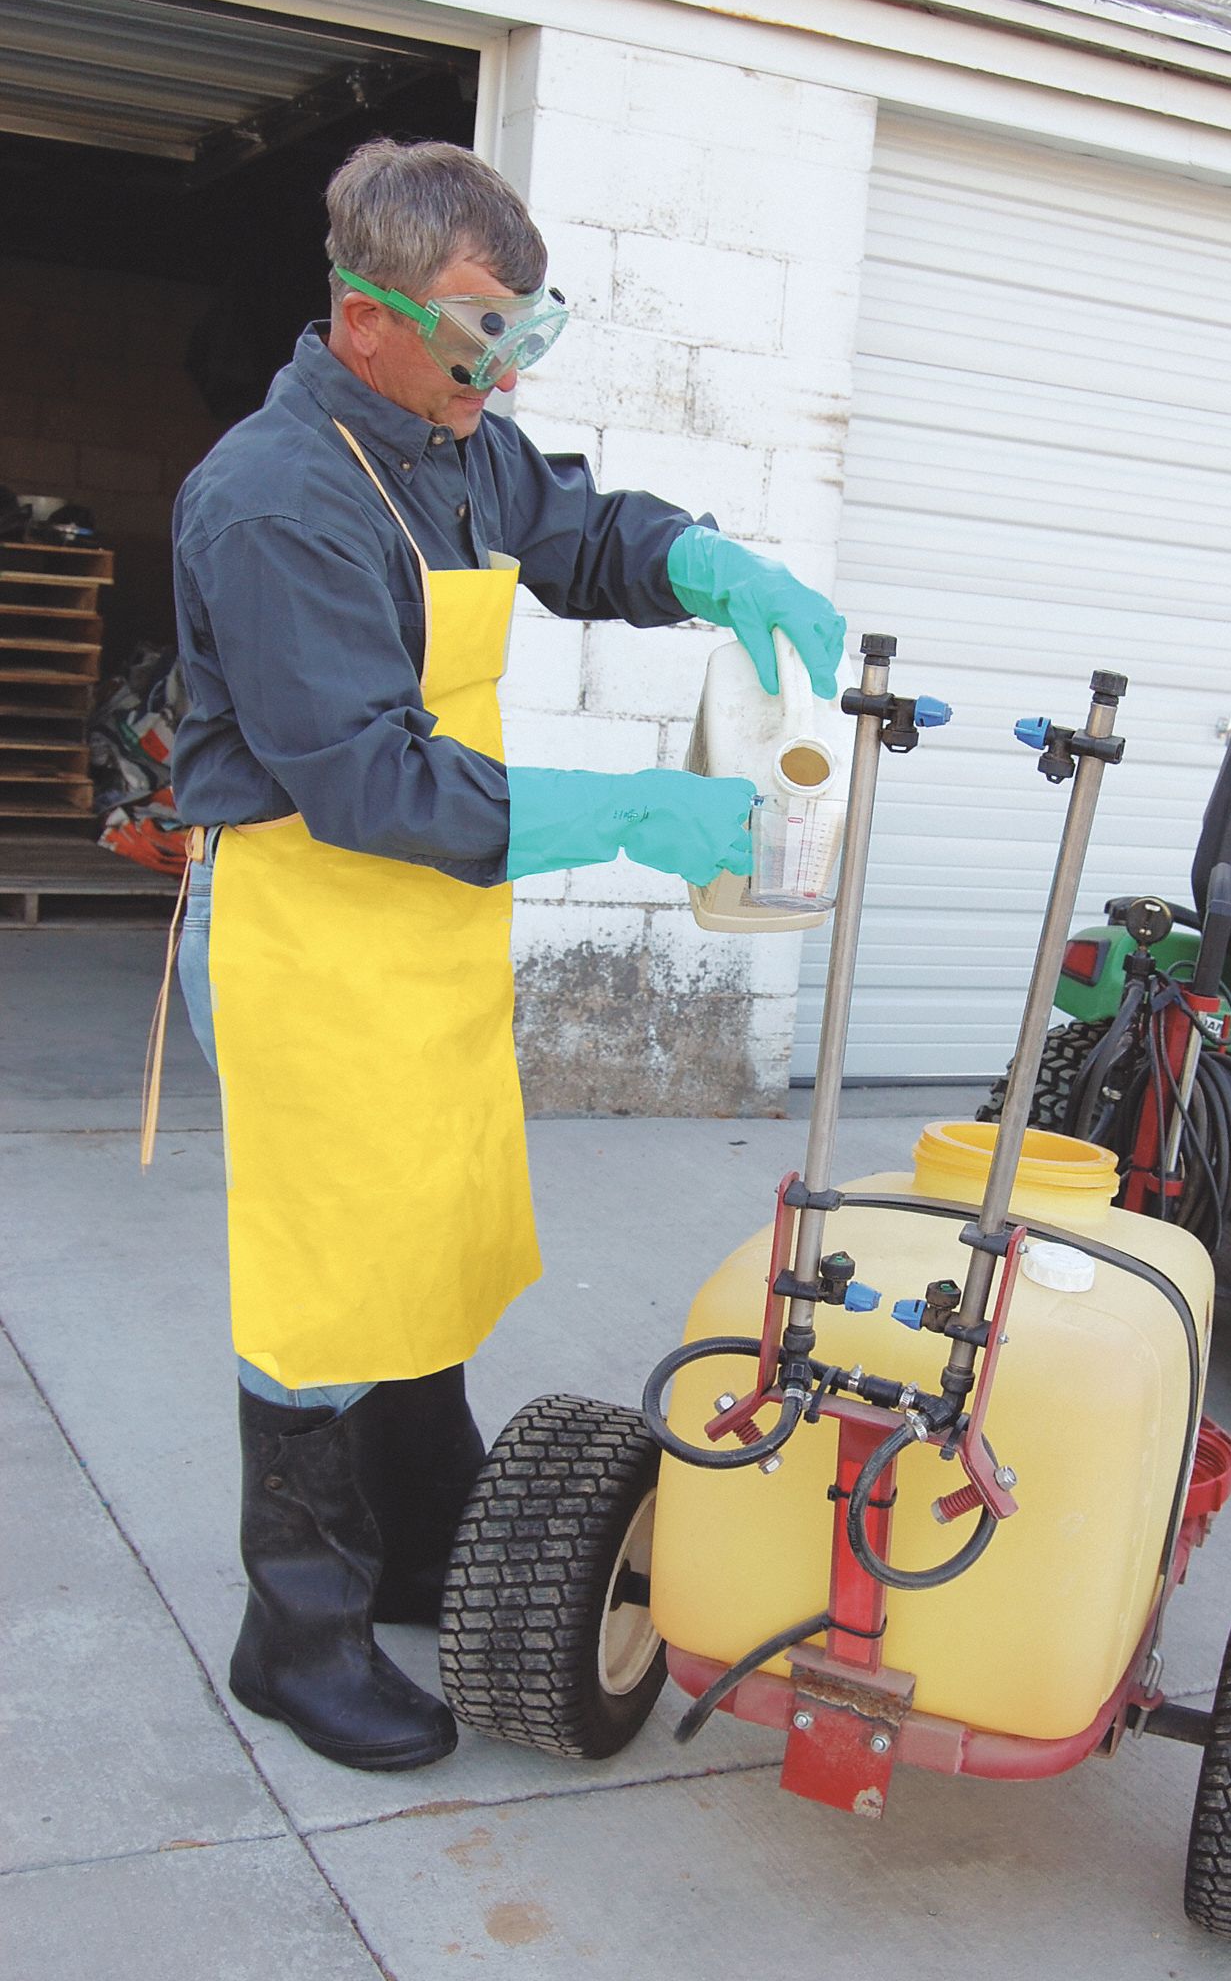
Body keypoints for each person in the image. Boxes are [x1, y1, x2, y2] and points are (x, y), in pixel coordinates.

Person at [168, 138, 846, 1774]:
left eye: (526, 334)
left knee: (433, 1239)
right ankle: (298, 1632)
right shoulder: (276, 498)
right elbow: (367, 781)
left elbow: (572, 530)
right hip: (311, 928)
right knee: (321, 1295)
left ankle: (418, 1544)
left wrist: (695, 560)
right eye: (483, 335)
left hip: (425, 932)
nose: (503, 372)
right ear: (369, 314)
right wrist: (627, 810)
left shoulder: (446, 434)